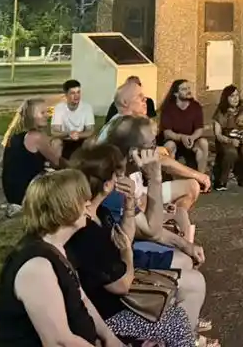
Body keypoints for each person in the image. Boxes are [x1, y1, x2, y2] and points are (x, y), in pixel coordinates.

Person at [87, 116, 210, 336]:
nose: (156, 151)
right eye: (151, 146)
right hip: (115, 274)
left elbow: (141, 226)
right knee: (194, 280)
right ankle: (181, 334)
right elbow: (150, 231)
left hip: (119, 258)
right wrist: (155, 177)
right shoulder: (112, 186)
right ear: (134, 152)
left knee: (185, 258)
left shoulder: (119, 173)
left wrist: (184, 243)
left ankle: (179, 328)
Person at [66, 144, 196, 347]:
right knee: (176, 320)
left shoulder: (99, 212)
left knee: (176, 308)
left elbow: (124, 239)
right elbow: (121, 285)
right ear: (109, 184)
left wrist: (128, 208)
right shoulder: (86, 230)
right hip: (107, 316)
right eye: (118, 174)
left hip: (116, 299)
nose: (123, 177)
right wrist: (127, 254)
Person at [0, 169, 124, 347]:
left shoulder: (58, 246)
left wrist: (111, 338)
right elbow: (58, 342)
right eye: (82, 200)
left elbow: (81, 298)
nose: (88, 204)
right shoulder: (37, 267)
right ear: (64, 208)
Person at [2, 98, 62, 205]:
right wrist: (58, 143)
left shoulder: (14, 136)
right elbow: (58, 162)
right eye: (42, 113)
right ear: (31, 116)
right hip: (27, 195)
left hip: (12, 193)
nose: (47, 116)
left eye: (47, 112)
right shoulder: (36, 137)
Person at [211, 84, 243, 190]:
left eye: (237, 95)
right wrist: (229, 140)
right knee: (231, 152)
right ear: (226, 98)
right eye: (232, 96)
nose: (235, 98)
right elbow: (218, 134)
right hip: (227, 140)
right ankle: (222, 182)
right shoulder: (220, 112)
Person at [159, 79, 210, 174]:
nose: (188, 91)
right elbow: (167, 133)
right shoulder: (168, 108)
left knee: (203, 143)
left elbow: (199, 129)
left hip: (191, 141)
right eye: (184, 89)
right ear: (176, 94)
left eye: (189, 88)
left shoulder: (196, 106)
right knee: (169, 146)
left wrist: (192, 138)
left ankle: (201, 178)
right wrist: (182, 137)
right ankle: (170, 178)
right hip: (175, 141)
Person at [52, 79, 97, 162]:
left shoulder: (87, 107)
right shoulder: (59, 108)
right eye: (73, 93)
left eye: (78, 92)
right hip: (65, 139)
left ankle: (89, 166)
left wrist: (78, 134)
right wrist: (68, 134)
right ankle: (56, 167)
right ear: (66, 95)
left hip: (81, 138)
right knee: (55, 142)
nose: (76, 96)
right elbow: (54, 131)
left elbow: (90, 130)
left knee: (92, 141)